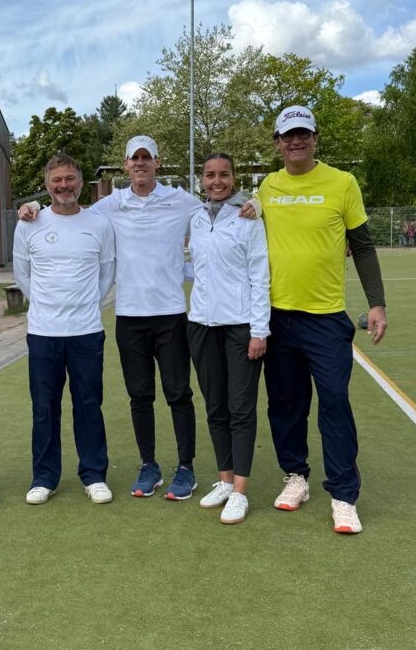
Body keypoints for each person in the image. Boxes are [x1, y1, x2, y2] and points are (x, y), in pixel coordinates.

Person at [19, 136, 259, 502]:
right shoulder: (108, 206)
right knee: (140, 396)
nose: (141, 163)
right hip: (129, 317)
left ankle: (186, 467)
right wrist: (33, 205)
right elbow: (69, 209)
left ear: (157, 162)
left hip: (172, 315)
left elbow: (218, 200)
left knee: (178, 394)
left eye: (147, 157)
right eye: (135, 158)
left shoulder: (181, 201)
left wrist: (253, 201)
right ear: (126, 164)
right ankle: (149, 465)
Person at [260, 105, 388, 535]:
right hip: (277, 317)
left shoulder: (342, 182)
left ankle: (343, 495)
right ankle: (296, 476)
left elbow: (363, 246)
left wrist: (376, 304)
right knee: (285, 405)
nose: (296, 141)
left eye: (303, 134)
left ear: (315, 138)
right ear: (277, 143)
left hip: (327, 319)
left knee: (334, 402)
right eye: (288, 135)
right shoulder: (267, 187)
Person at [13, 154, 116, 504]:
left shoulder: (99, 224)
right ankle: (44, 477)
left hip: (86, 331)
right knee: (44, 406)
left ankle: (94, 474)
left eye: (70, 179)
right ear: (47, 185)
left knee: (88, 403)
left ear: (80, 182)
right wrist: (48, 305)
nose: (64, 186)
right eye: (56, 180)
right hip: (44, 332)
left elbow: (107, 273)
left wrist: (84, 305)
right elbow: (23, 274)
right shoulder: (29, 222)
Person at [187, 154, 270, 525]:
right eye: (210, 175)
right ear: (202, 179)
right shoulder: (196, 217)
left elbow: (260, 276)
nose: (216, 181)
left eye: (223, 175)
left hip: (241, 327)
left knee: (241, 409)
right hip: (201, 326)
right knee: (215, 407)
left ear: (234, 177)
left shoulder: (249, 217)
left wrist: (259, 330)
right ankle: (224, 480)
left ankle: (240, 491)